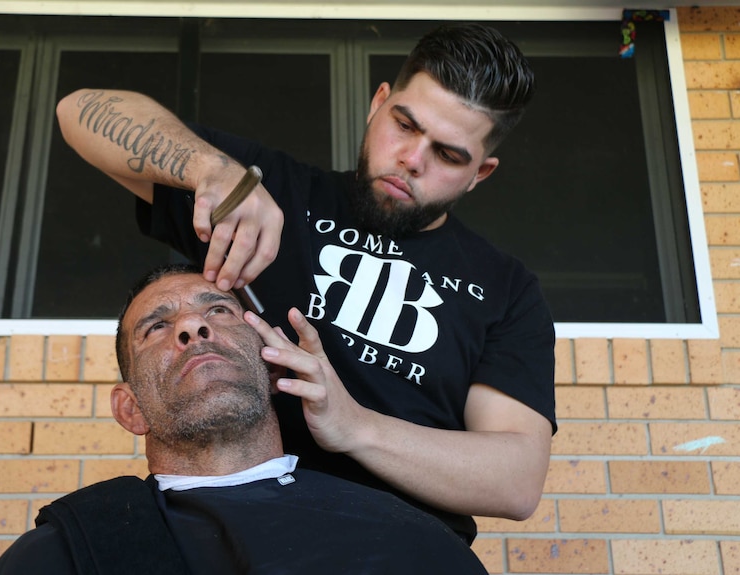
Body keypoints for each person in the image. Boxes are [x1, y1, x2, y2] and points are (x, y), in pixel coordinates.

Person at [56, 22, 556, 544]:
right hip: (235, 532)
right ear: (378, 102)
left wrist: (355, 427)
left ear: (482, 172)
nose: (412, 159)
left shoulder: (506, 288)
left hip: (403, 550)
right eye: (404, 125)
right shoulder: (274, 190)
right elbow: (78, 112)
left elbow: (516, 482)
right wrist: (212, 170)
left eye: (449, 155)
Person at [0, 264, 489, 574]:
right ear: (130, 408)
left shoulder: (410, 541)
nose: (191, 325)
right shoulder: (61, 555)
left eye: (220, 311)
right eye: (157, 326)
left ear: (275, 367)